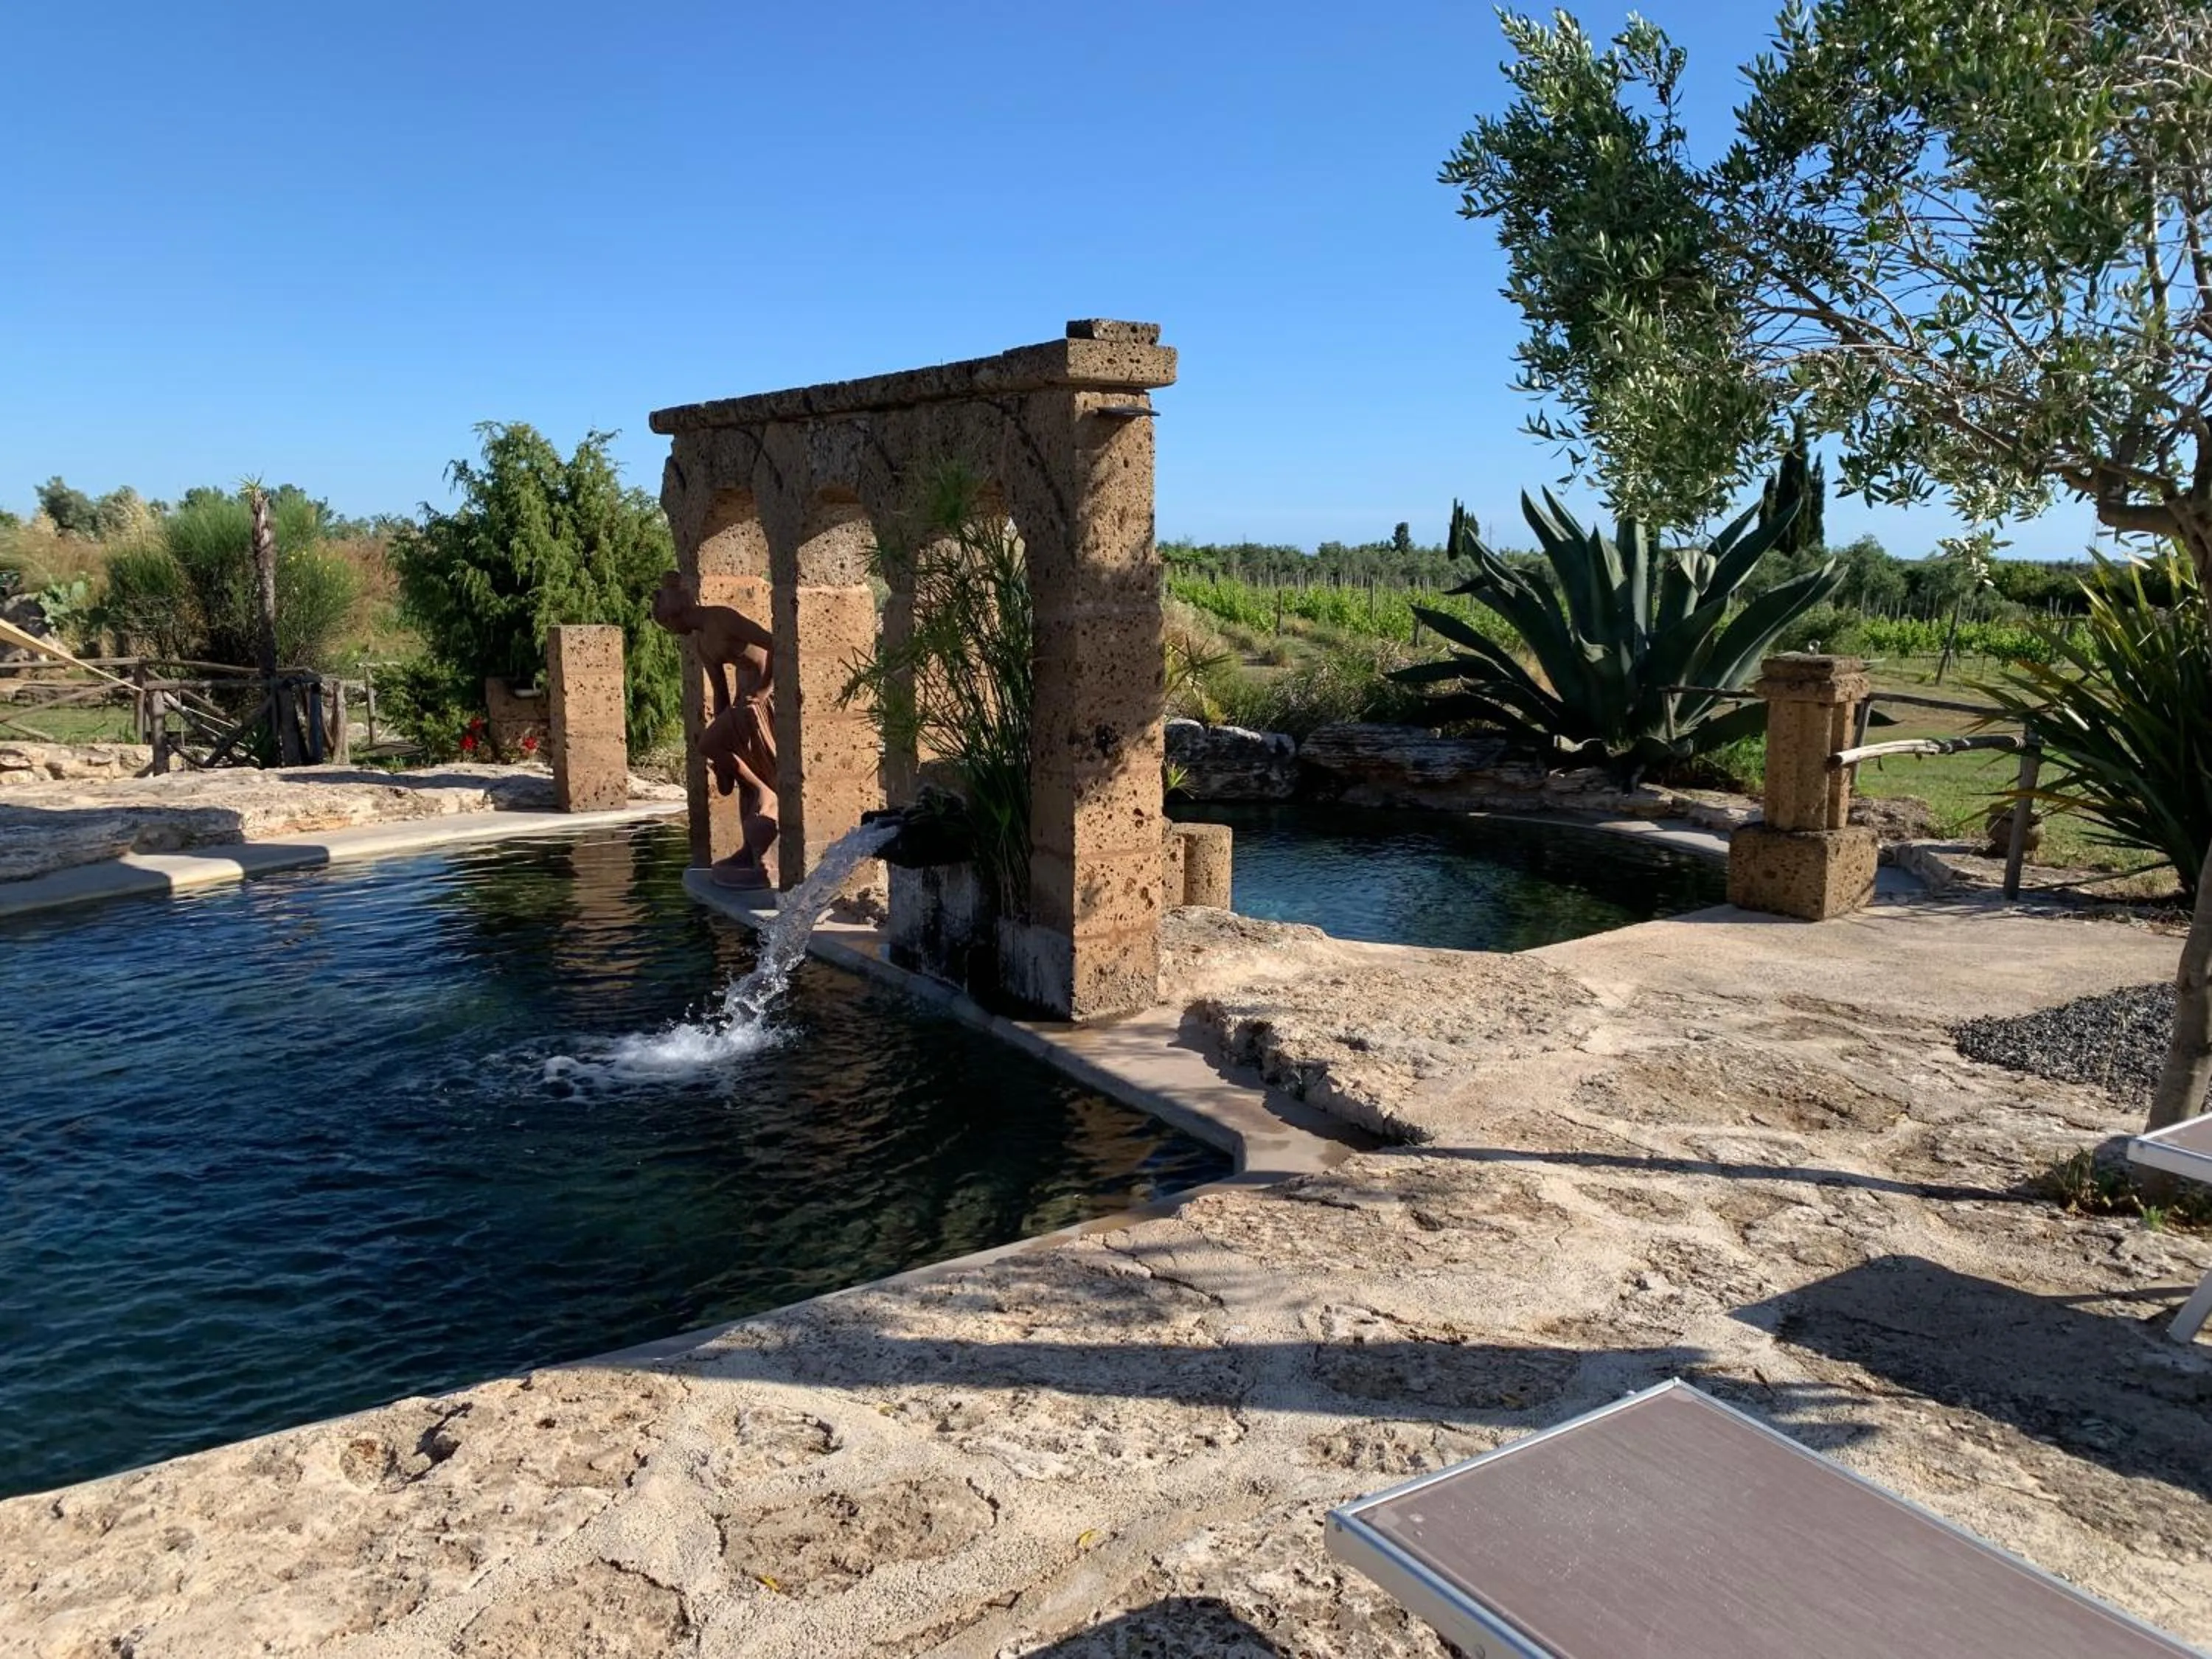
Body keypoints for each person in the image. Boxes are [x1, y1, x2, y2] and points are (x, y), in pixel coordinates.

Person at [649, 571, 778, 889]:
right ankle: (754, 847)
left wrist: (763, 690)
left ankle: (766, 792)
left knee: (709, 746)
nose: (672, 633)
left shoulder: (722, 618)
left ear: (674, 614)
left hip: (765, 695)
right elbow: (718, 690)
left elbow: (774, 644)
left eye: (667, 626)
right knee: (714, 747)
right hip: (743, 698)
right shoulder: (702, 643)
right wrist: (720, 726)